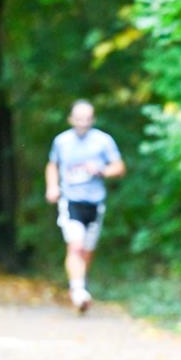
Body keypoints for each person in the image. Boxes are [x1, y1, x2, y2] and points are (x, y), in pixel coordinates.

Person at [45, 100, 126, 312]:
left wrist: (101, 170)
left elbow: (119, 167)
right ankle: (78, 290)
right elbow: (52, 165)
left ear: (93, 119)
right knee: (75, 246)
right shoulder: (61, 141)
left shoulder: (103, 141)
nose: (82, 123)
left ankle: (79, 286)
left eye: (87, 118)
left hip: (95, 203)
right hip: (71, 201)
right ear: (70, 119)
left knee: (87, 252)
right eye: (78, 118)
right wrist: (52, 187)